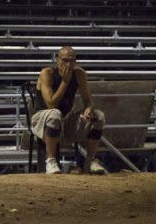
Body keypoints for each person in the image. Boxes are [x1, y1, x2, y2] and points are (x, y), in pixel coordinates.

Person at [31, 46, 107, 175]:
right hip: (41, 117)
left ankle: (90, 160)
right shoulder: (47, 73)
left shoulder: (79, 74)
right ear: (57, 60)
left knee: (99, 116)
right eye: (65, 60)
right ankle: (51, 160)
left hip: (65, 119)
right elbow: (51, 104)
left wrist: (88, 109)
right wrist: (65, 82)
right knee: (55, 113)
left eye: (72, 61)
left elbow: (88, 100)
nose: (68, 64)